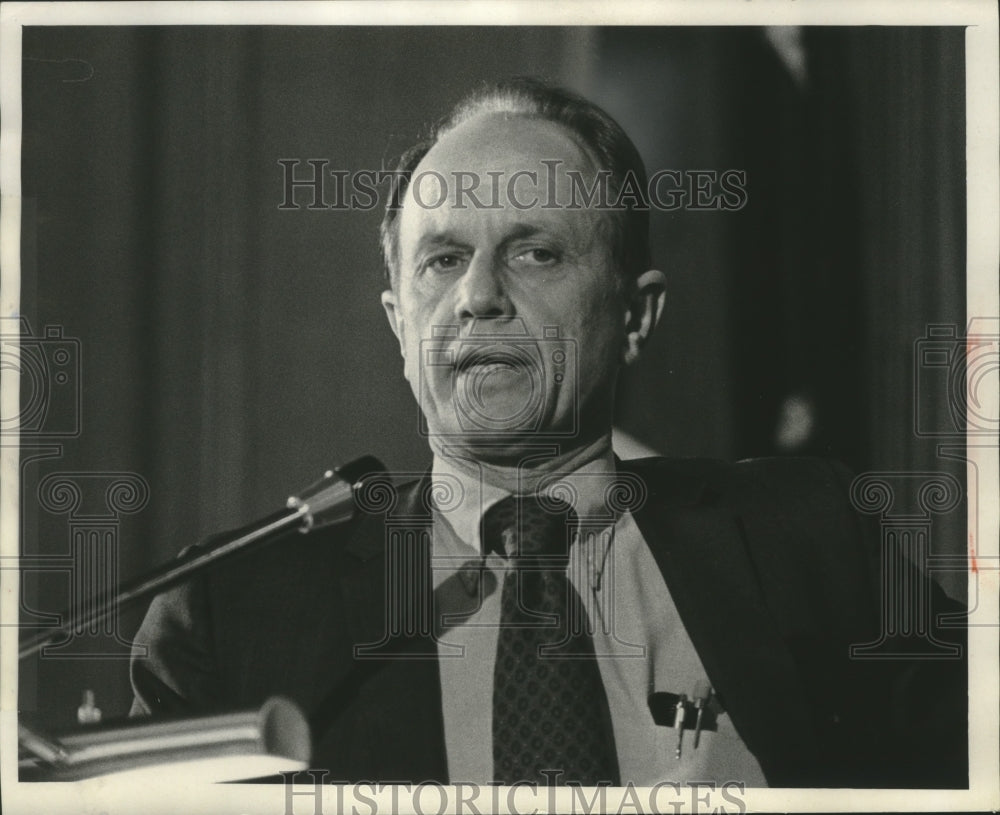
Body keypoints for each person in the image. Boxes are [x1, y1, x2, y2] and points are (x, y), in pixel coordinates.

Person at [131, 77, 966, 788]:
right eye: (443, 259)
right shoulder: (232, 613)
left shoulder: (815, 540)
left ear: (636, 313)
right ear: (398, 321)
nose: (479, 297)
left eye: (535, 254)